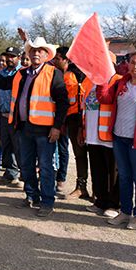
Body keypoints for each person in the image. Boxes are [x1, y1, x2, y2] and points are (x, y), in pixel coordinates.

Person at [0, 37, 69, 217]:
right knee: (26, 165)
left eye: (40, 51)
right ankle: (31, 195)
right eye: (33, 50)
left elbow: (63, 103)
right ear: (28, 53)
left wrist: (57, 127)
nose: (36, 53)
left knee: (45, 167)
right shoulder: (20, 74)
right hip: (23, 128)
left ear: (46, 55)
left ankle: (47, 201)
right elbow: (2, 83)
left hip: (45, 130)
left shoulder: (54, 73)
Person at [97, 52, 136, 230]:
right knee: (124, 177)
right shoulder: (121, 83)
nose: (135, 67)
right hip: (119, 138)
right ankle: (125, 212)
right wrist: (101, 80)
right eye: (132, 63)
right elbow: (104, 98)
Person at [80, 62, 121, 219]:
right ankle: (100, 201)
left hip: (109, 136)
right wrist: (82, 130)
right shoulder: (91, 82)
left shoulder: (118, 80)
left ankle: (114, 204)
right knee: (98, 170)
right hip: (92, 136)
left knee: (114, 172)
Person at [53, 46, 89, 199]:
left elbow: (68, 101)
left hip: (76, 119)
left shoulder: (69, 76)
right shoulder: (69, 74)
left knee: (81, 154)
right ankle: (82, 187)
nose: (55, 61)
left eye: (57, 58)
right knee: (79, 154)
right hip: (73, 119)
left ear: (66, 59)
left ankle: (83, 187)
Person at [0, 47, 22, 186]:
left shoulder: (22, 73)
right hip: (3, 115)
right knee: (6, 145)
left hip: (16, 117)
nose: (10, 59)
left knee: (18, 146)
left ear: (18, 58)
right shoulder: (1, 73)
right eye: (8, 56)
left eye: (13, 56)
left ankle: (21, 174)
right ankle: (10, 172)